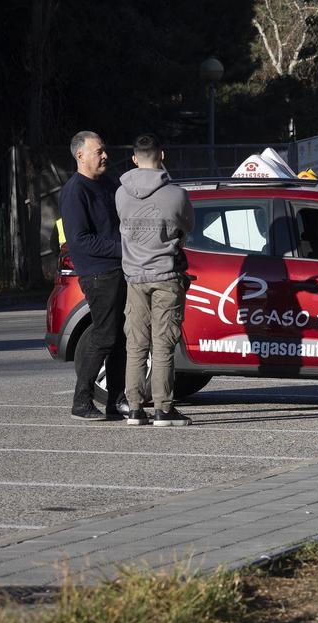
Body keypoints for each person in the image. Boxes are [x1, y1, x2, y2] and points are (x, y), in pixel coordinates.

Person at [116, 134, 195, 427]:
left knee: (135, 344)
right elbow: (187, 227)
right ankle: (163, 408)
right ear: (162, 155)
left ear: (134, 158)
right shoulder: (177, 194)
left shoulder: (120, 193)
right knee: (163, 345)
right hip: (166, 275)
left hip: (134, 277)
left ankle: (134, 407)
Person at [60, 131, 126, 421]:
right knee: (104, 336)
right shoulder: (76, 191)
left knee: (120, 339)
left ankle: (117, 400)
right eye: (98, 151)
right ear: (80, 156)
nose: (105, 155)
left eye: (104, 150)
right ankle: (81, 401)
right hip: (99, 274)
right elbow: (80, 240)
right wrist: (122, 248)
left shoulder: (109, 184)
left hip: (121, 271)